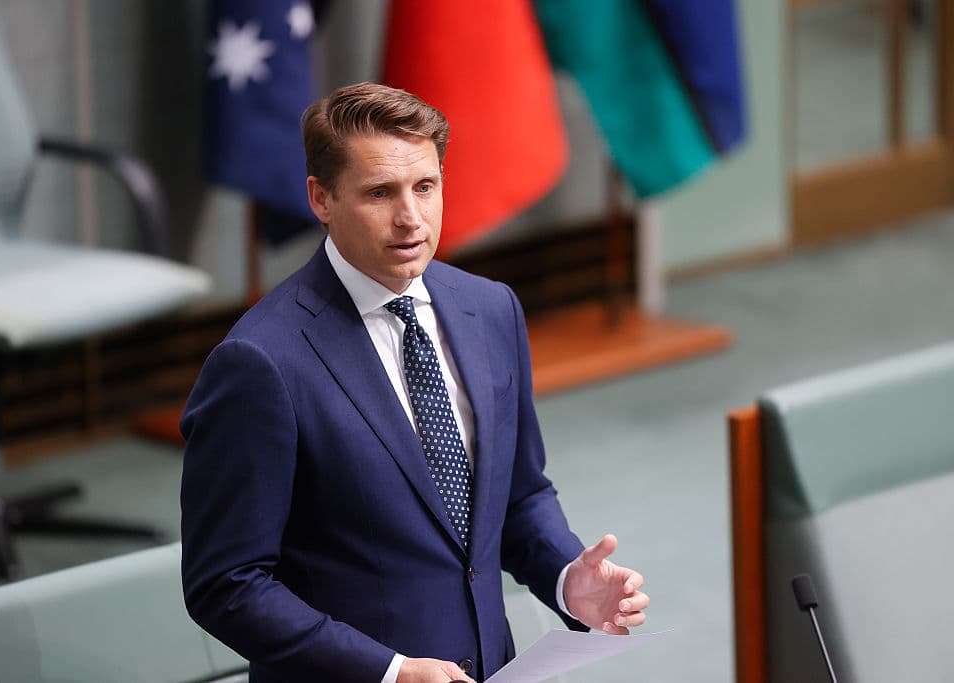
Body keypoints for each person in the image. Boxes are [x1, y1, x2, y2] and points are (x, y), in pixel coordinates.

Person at [180, 81, 650, 683]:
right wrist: (389, 671)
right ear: (320, 199)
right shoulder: (259, 363)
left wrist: (566, 579)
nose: (410, 218)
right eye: (380, 193)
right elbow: (227, 585)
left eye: (425, 187)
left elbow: (518, 494)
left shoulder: (492, 310)